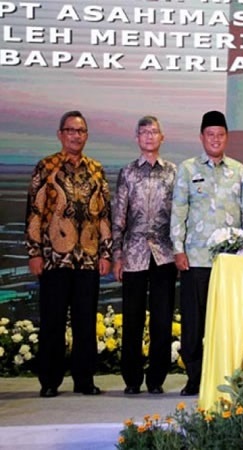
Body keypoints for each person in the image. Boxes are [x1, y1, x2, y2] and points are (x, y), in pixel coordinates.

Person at [25, 110, 112, 397]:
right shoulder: (46, 167)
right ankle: (50, 381)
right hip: (54, 258)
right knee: (53, 320)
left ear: (87, 135)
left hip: (88, 257)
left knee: (86, 322)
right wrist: (34, 252)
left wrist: (106, 253)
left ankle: (84, 380)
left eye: (81, 131)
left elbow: (104, 216)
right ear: (61, 134)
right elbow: (34, 212)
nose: (76, 135)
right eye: (71, 130)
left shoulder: (96, 169)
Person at [170, 111, 243, 396]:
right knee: (194, 323)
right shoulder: (188, 170)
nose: (215, 139)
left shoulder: (240, 171)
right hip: (196, 260)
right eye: (210, 134)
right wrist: (178, 249)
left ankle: (230, 375)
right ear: (202, 137)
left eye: (220, 134)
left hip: (230, 263)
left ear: (227, 137)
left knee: (228, 322)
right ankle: (195, 377)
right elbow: (178, 211)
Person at [112, 116, 178, 395]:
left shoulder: (173, 172)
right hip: (134, 253)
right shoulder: (127, 173)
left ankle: (156, 379)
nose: (149, 136)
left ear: (162, 137)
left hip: (164, 254)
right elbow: (118, 216)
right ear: (137, 138)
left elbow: (179, 214)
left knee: (162, 319)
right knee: (133, 318)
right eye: (144, 132)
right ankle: (131, 379)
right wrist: (116, 253)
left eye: (154, 132)